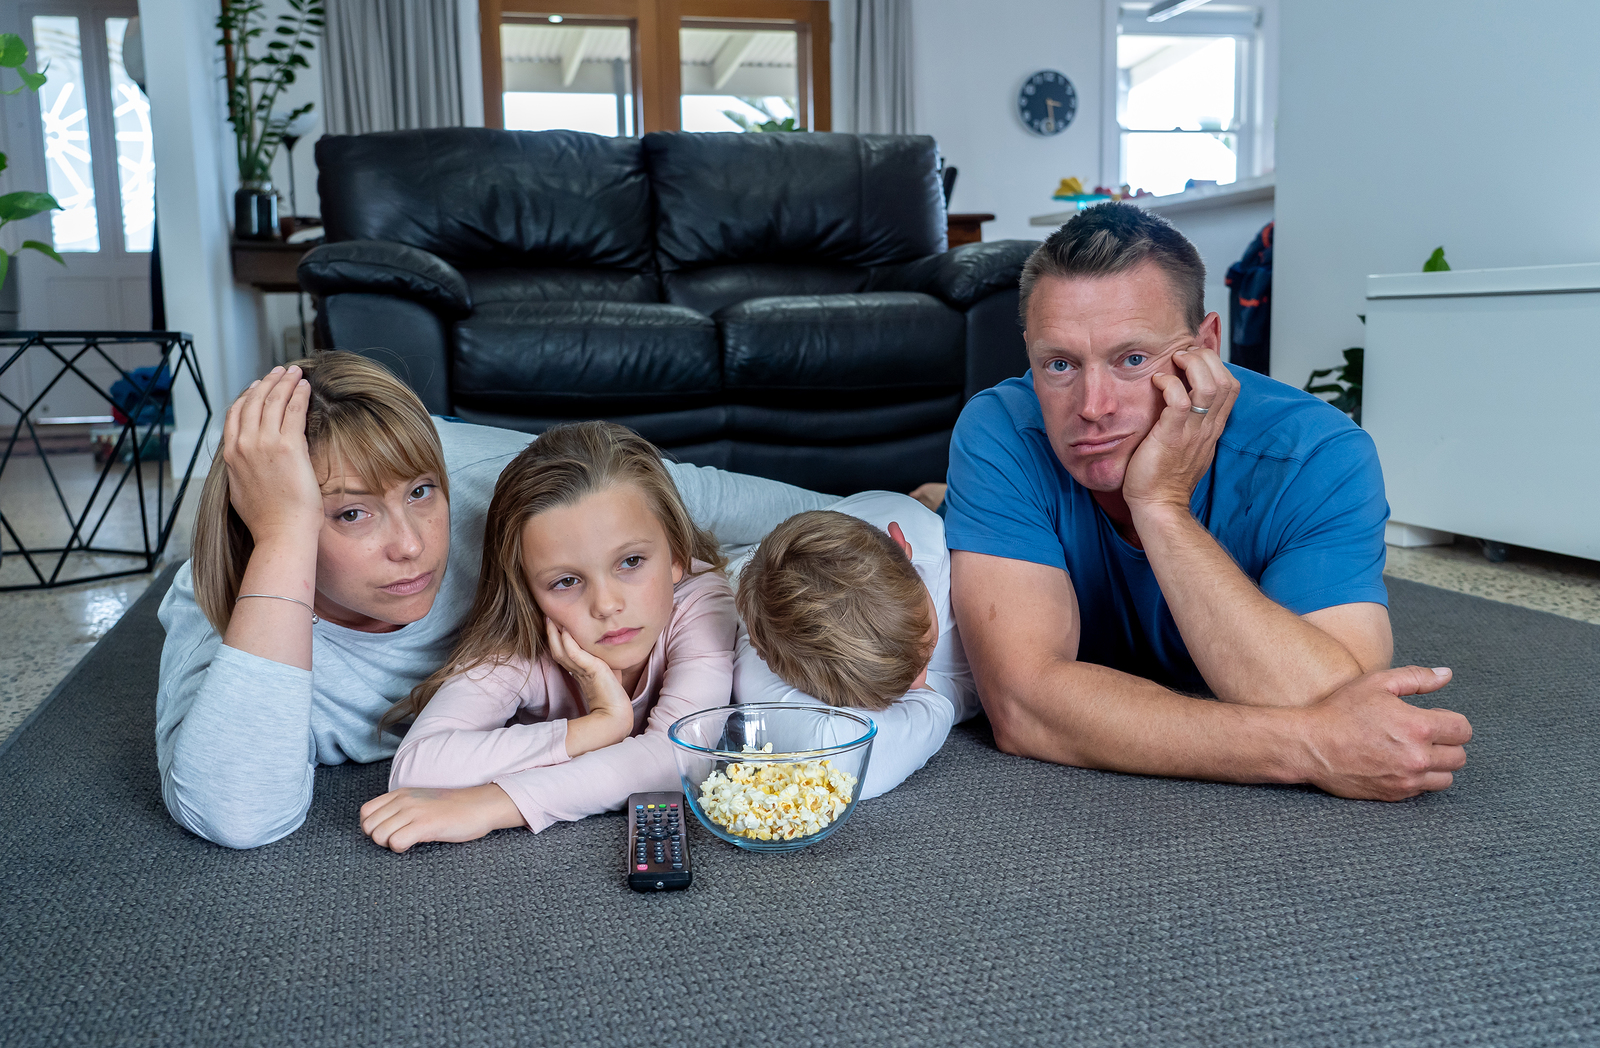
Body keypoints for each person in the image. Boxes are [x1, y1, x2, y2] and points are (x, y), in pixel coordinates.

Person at [156, 353, 833, 850]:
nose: (412, 547)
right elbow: (236, 814)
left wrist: (854, 516)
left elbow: (685, 498)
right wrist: (283, 536)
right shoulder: (226, 608)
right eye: (352, 516)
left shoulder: (480, 484)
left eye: (421, 494)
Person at [941, 202, 1472, 802]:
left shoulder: (1318, 456)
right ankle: (948, 504)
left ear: (1206, 347)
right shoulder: (1002, 428)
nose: (1092, 406)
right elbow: (1024, 707)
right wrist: (1308, 746)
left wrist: (1161, 505)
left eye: (1132, 360)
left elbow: (1333, 692)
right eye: (1059, 364)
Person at [364, 422, 735, 852]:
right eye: (566, 581)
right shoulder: (523, 641)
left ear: (676, 556)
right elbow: (416, 767)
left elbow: (678, 757)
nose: (607, 604)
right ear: (527, 590)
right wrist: (600, 725)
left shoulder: (701, 601)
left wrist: (492, 805)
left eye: (631, 561)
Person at [730, 492, 979, 800]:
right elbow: (834, 762)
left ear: (903, 547)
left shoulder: (933, 553)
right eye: (892, 691)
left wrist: (923, 703)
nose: (920, 683)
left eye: (925, 646)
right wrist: (935, 705)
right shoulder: (761, 647)